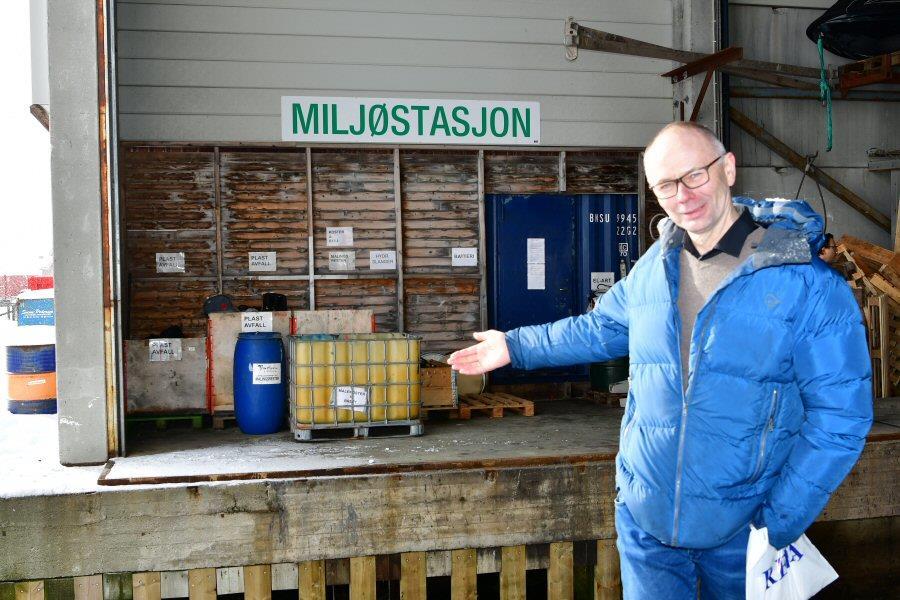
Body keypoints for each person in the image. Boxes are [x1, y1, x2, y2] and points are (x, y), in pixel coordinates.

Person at [447, 122, 873, 599]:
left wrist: (778, 520)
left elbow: (841, 418)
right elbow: (601, 328)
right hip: (647, 525)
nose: (682, 196)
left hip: (742, 534)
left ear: (728, 168)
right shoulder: (657, 263)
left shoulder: (808, 285)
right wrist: (515, 347)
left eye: (694, 175)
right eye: (665, 185)